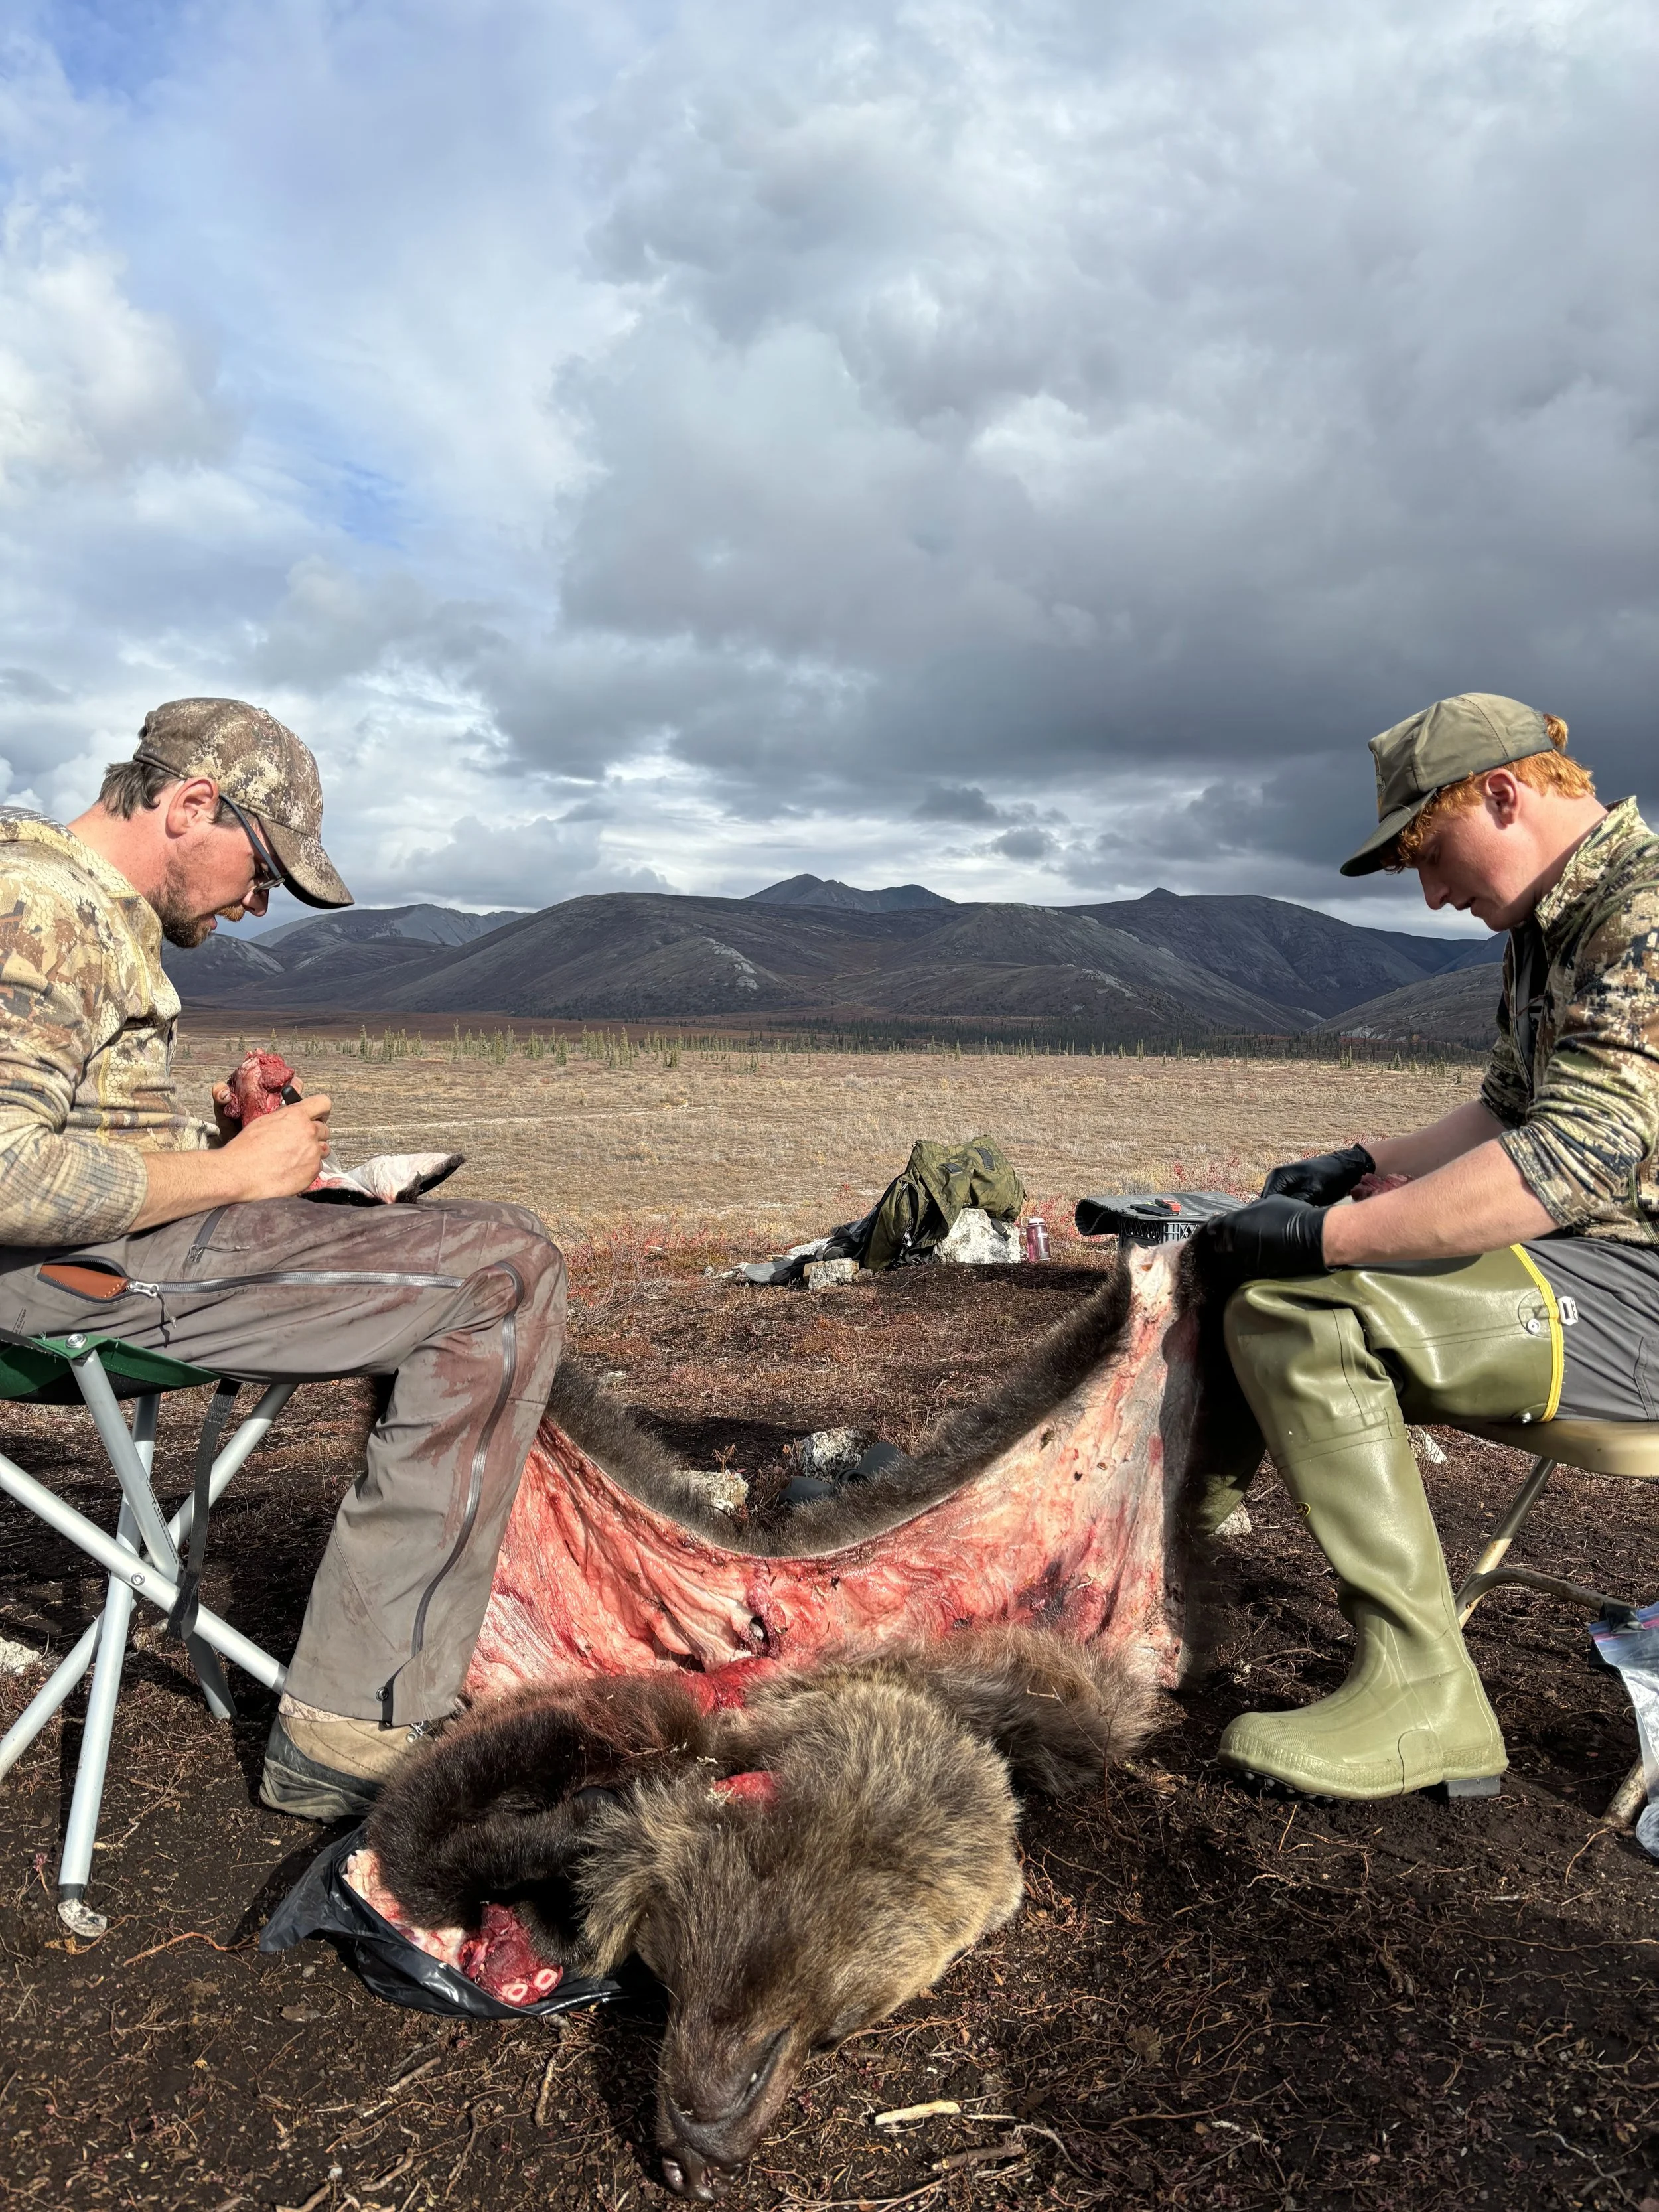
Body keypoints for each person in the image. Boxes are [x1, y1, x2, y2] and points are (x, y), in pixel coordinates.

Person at [0, 698, 566, 1822]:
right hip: (54, 1290)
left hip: (95, 1264)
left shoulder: (73, 905)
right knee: (504, 1274)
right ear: (191, 804)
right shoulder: (38, 905)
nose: (255, 906)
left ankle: (374, 1690)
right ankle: (360, 1722)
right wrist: (238, 1177)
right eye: (261, 871)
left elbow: (58, 1140)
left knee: (507, 1247)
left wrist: (217, 1147)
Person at [1197, 691, 1659, 1801]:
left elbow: (1578, 1159)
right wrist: (1352, 1161)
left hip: (1643, 1296)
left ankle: (1426, 1698)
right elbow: (1510, 1112)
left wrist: (1330, 1234)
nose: (1435, 892)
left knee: (1306, 1309)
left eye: (1431, 853)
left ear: (1503, 794)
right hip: (1592, 1272)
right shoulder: (1554, 925)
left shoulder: (1643, 914)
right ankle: (1176, 1551)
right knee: (1252, 1273)